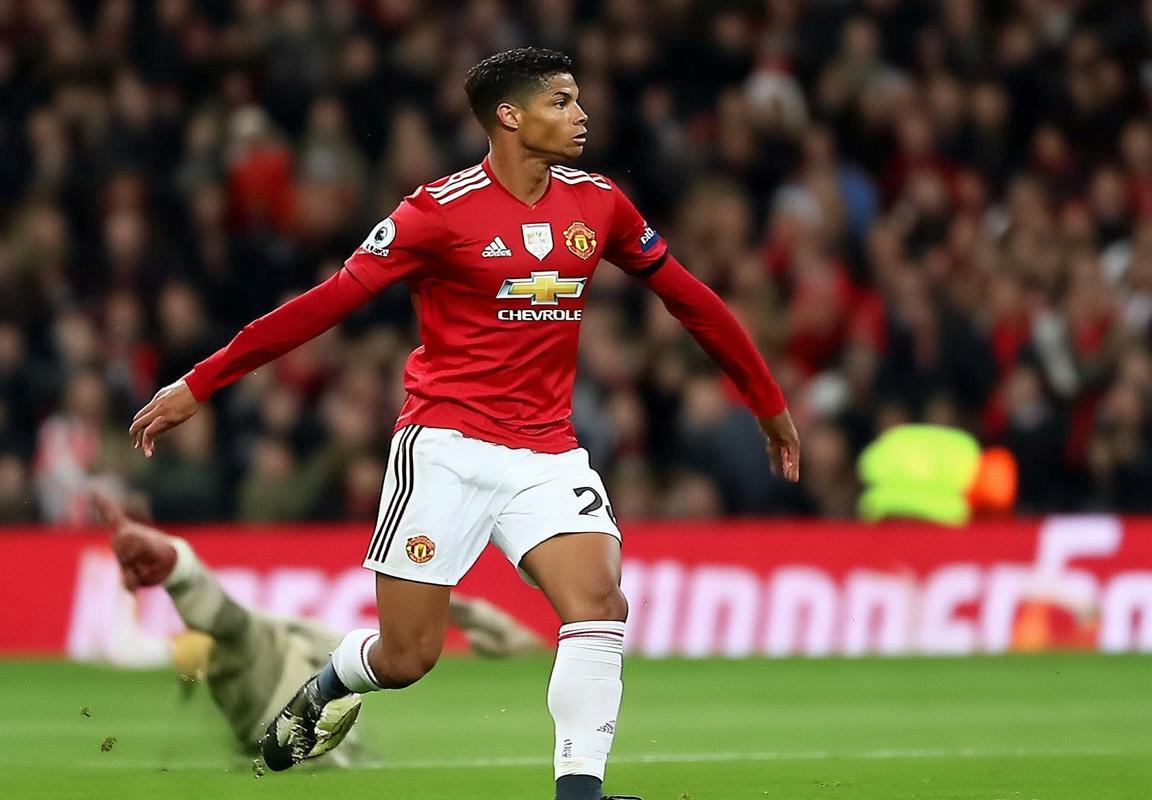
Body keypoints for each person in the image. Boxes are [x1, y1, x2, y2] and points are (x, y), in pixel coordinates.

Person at [129, 48, 799, 800]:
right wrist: (202, 381)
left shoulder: (601, 204)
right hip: (447, 448)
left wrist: (766, 400)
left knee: (599, 605)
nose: (581, 116)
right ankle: (329, 685)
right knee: (408, 657)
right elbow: (325, 304)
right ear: (509, 116)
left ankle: (579, 794)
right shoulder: (436, 212)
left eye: (578, 101)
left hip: (547, 452)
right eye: (562, 102)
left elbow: (690, 298)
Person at [92, 494, 544, 758]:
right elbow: (225, 626)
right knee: (244, 635)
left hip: (296, 699)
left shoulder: (330, 621)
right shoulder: (235, 646)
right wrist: (179, 569)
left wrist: (488, 624)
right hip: (273, 702)